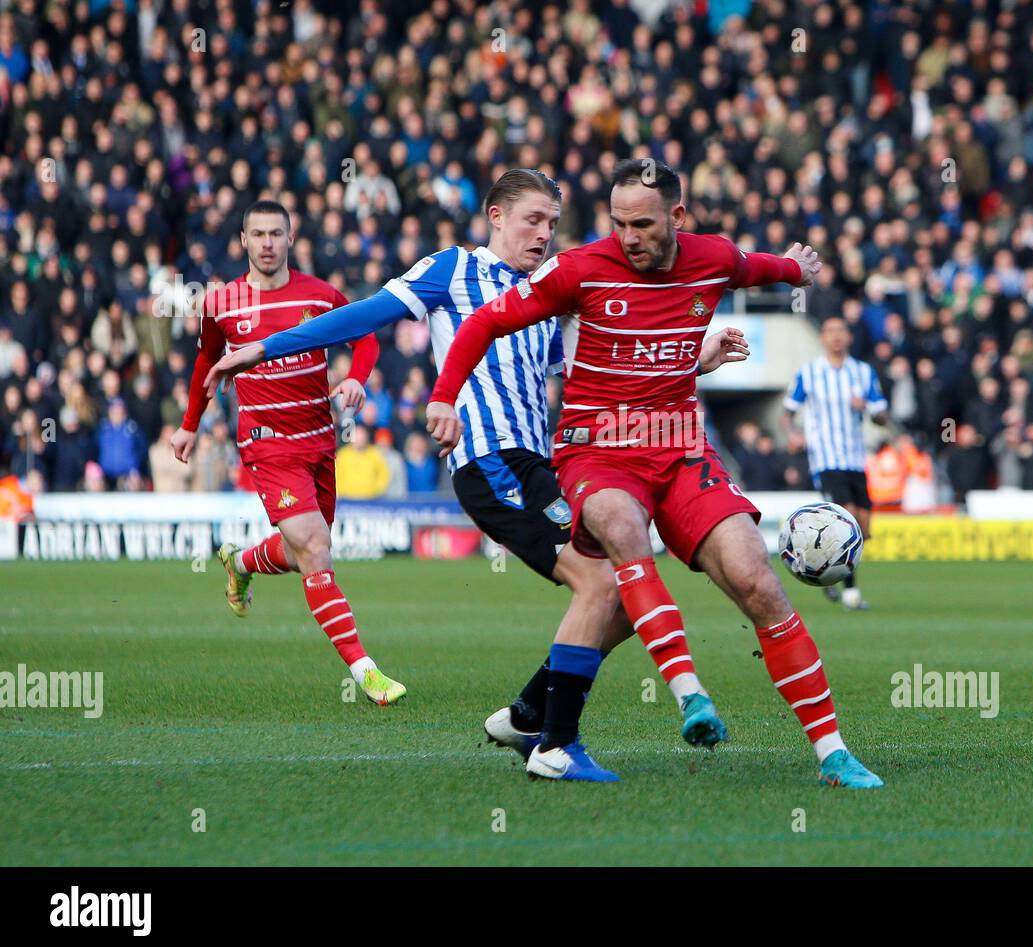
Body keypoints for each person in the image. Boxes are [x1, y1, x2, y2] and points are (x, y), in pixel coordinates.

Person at [205, 169, 750, 782]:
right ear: (495, 216)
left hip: (541, 466)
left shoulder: (546, 290)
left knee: (625, 593)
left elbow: (597, 368)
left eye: (552, 221)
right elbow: (363, 316)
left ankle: (527, 716)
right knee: (604, 582)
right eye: (532, 219)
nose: (545, 233)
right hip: (489, 463)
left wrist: (698, 359)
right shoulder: (451, 269)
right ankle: (555, 744)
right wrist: (268, 347)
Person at [425, 160, 884, 789]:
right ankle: (690, 694)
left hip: (680, 448)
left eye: (642, 224)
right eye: (618, 223)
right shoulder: (579, 269)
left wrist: (796, 269)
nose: (628, 236)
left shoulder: (712, 259)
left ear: (678, 218)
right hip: (597, 451)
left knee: (757, 581)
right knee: (622, 535)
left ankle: (833, 753)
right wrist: (446, 396)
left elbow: (759, 266)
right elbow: (483, 322)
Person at [173, 200, 404, 706]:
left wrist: (355, 379)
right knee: (317, 549)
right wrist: (189, 427)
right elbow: (207, 363)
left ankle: (242, 561)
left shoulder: (320, 297)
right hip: (267, 442)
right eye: (258, 234)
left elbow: (366, 340)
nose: (267, 243)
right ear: (243, 240)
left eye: (276, 233)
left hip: (320, 439)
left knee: (307, 552)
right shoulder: (223, 302)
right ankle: (366, 672)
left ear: (291, 237)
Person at [783, 315, 890, 610]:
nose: (836, 336)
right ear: (823, 338)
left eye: (841, 331)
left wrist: (867, 407)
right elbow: (788, 411)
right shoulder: (809, 373)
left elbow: (882, 415)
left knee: (864, 529)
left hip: (855, 458)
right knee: (848, 519)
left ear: (849, 337)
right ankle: (852, 594)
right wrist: (793, 435)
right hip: (826, 458)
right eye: (830, 331)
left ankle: (825, 575)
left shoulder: (863, 373)